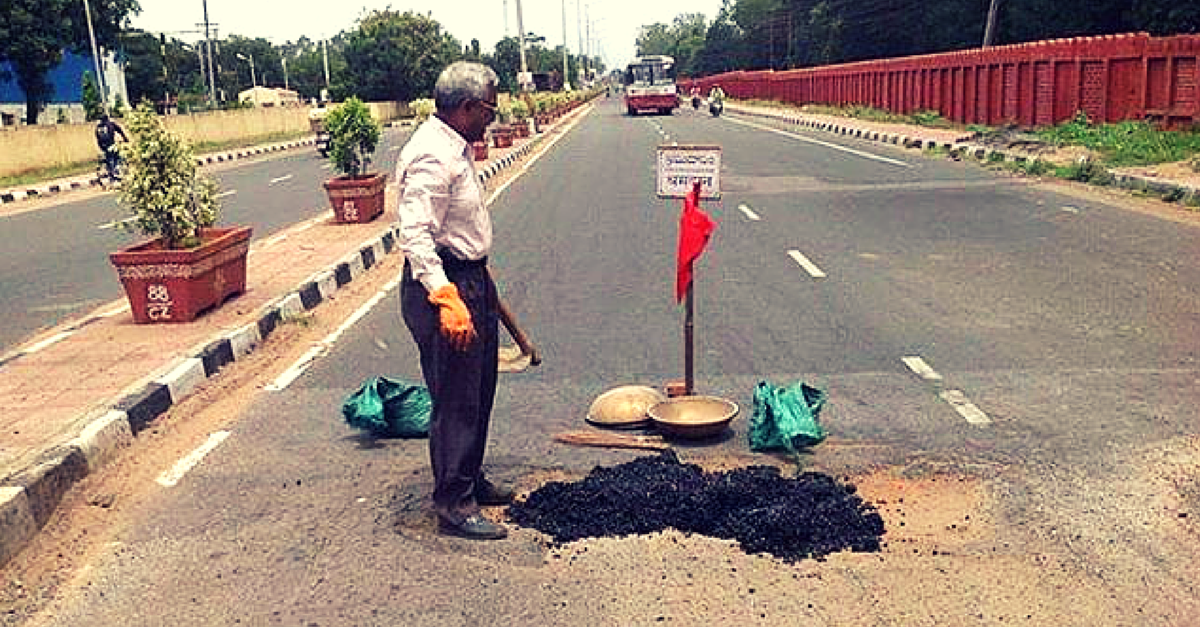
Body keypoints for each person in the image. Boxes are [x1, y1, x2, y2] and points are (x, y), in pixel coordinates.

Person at [395, 61, 514, 541]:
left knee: (479, 388)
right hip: (443, 288)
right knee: (456, 398)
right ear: (465, 108)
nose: (493, 116)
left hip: (470, 278)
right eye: (488, 108)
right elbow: (416, 237)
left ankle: (468, 476)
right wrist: (447, 297)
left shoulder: (455, 147)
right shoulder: (430, 155)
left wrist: (478, 275)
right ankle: (453, 504)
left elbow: (456, 226)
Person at [95, 113, 128, 181]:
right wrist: (125, 138)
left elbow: (97, 137)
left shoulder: (98, 127)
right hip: (110, 144)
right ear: (107, 119)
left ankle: (110, 172)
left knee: (108, 157)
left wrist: (101, 145)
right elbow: (119, 130)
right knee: (116, 156)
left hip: (102, 145)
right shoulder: (111, 124)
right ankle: (115, 172)